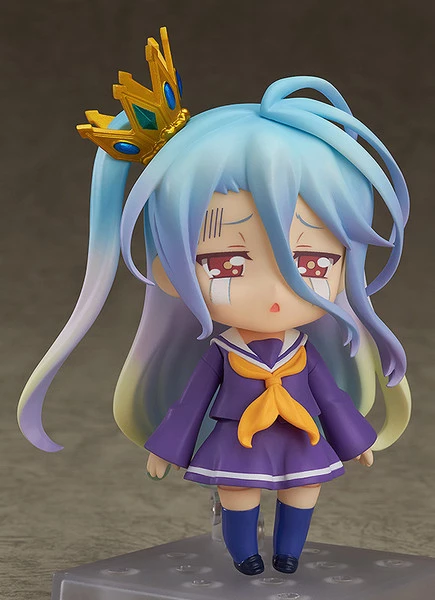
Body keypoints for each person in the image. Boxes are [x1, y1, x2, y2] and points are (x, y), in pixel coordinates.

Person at [18, 28, 411, 576]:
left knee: (303, 494)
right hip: (236, 442)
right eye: (228, 263)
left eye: (313, 263)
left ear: (348, 267)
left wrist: (353, 439)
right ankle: (244, 554)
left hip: (301, 438)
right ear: (170, 272)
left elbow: (331, 398)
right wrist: (166, 447)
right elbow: (191, 403)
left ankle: (289, 554)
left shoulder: (302, 351)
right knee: (238, 496)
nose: (277, 290)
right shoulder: (223, 353)